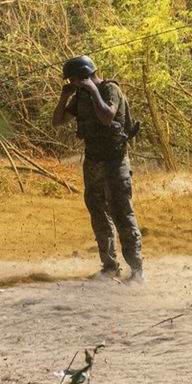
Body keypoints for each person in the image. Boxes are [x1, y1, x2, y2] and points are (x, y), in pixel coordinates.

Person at [52, 54, 145, 283]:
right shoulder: (81, 96)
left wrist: (93, 90)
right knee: (98, 213)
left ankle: (137, 269)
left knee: (122, 212)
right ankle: (109, 266)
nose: (73, 85)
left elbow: (107, 117)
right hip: (93, 162)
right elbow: (57, 121)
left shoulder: (109, 89)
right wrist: (64, 97)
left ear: (83, 76)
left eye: (73, 80)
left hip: (115, 161)